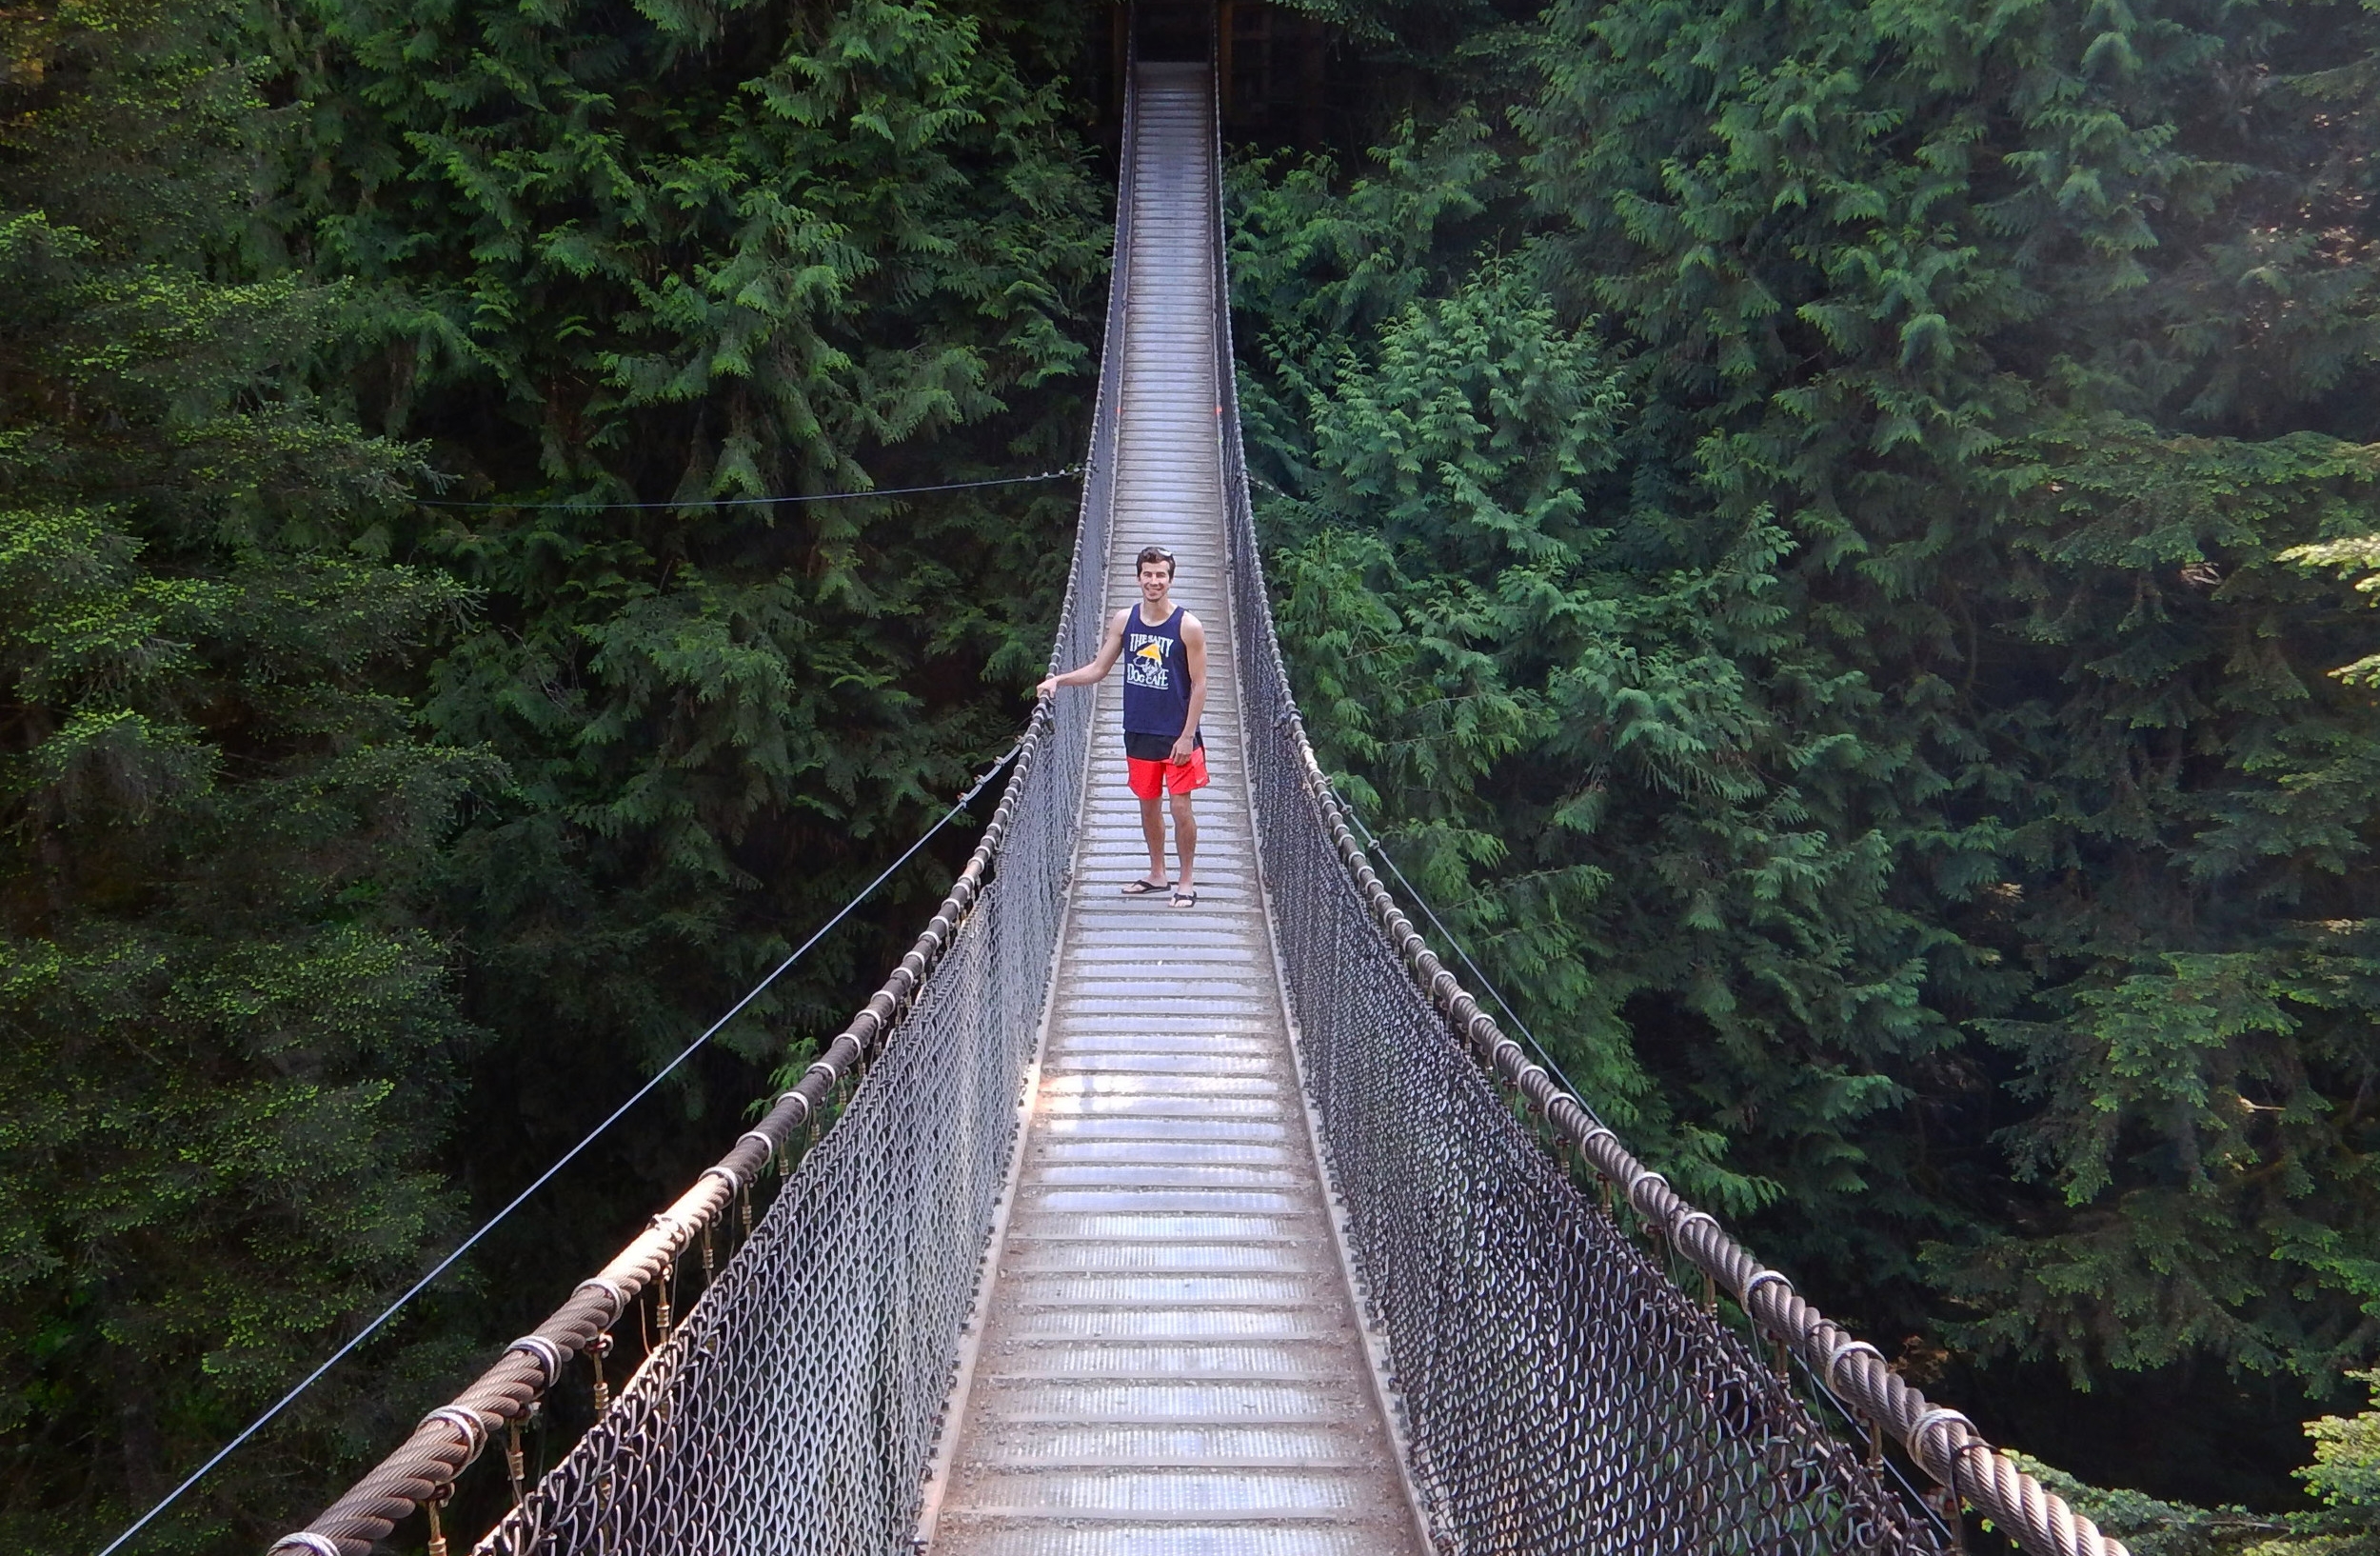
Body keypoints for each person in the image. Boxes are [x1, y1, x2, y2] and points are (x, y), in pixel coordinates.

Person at [1037, 545, 1209, 908]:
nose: (1154, 581)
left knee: (1180, 808)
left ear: (1170, 579)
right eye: (1148, 574)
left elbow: (1200, 684)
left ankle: (1187, 880)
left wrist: (1187, 735)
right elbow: (1099, 669)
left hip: (1178, 734)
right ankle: (1158, 873)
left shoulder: (1187, 626)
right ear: (1138, 578)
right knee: (1148, 806)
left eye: (1161, 574)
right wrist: (1059, 680)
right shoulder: (1124, 620)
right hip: (1139, 729)